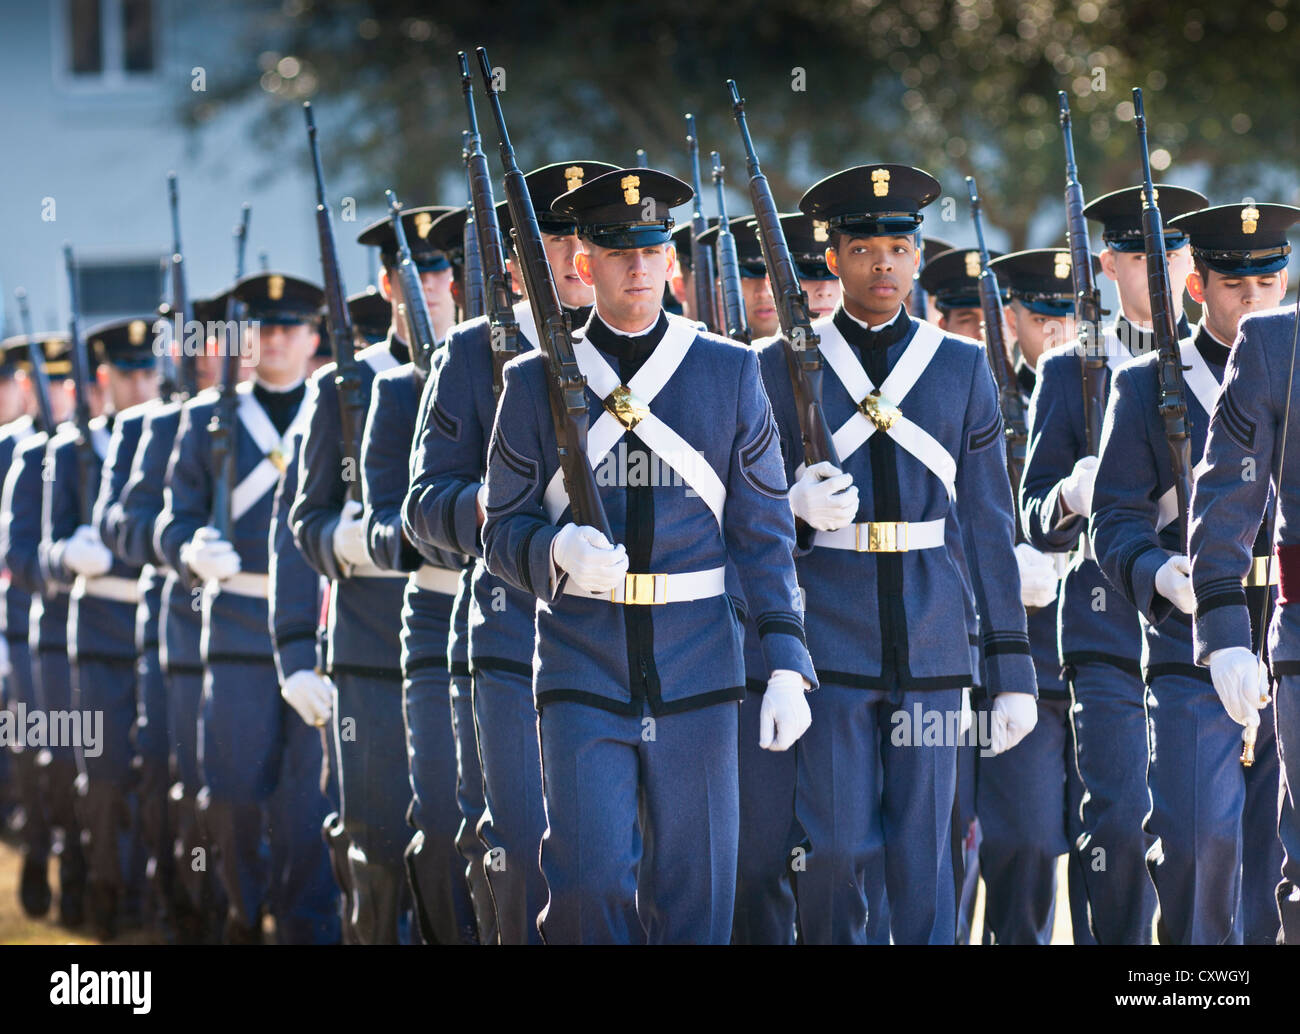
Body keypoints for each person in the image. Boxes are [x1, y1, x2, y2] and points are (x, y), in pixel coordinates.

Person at [478, 165, 815, 943]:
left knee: (696, 896)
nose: (637, 266)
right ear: (583, 264)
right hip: (580, 660)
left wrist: (789, 663)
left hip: (700, 662)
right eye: (617, 250)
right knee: (588, 886)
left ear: (672, 261)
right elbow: (501, 532)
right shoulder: (532, 384)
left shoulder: (728, 373)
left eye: (652, 249)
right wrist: (555, 550)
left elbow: (762, 534)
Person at [762, 164, 1038, 944]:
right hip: (829, 639)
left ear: (917, 257)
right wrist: (794, 511)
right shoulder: (780, 365)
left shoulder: (958, 366)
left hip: (933, 641)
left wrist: (1011, 672)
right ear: (835, 259)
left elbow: (988, 524)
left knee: (928, 854)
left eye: (898, 246)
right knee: (838, 845)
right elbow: (746, 517)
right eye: (864, 248)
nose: (883, 263)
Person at [404, 160, 616, 944]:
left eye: (583, 236)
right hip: (510, 633)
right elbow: (423, 507)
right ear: (512, 260)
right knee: (524, 850)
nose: (570, 254)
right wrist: (489, 506)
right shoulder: (468, 356)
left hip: (627, 637)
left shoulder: (650, 354)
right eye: (552, 238)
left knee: (625, 859)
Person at [1020, 183, 1205, 943]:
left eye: (1170, 252)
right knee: (1118, 827)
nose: (1155, 269)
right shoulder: (1071, 371)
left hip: (1202, 622)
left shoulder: (1222, 358)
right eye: (1137, 255)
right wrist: (1070, 493)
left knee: (1202, 831)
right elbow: (1033, 513)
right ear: (1107, 264)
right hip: (1109, 635)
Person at [1118, 201, 1297, 944]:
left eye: (1267, 281)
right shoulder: (1151, 381)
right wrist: (1160, 573)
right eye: (1234, 284)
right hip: (1198, 636)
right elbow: (1119, 516)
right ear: (1200, 285)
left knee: (1270, 858)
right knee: (1197, 843)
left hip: (1274, 624)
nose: (1252, 298)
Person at [289, 204, 456, 945]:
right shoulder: (345, 388)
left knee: (466, 846)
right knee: (380, 840)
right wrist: (353, 541)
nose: (430, 286)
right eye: (413, 273)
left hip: (476, 641)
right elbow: (306, 518)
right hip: (372, 647)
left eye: (441, 268)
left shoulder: (498, 374)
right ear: (389, 283)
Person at [156, 272, 338, 943]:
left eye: (291, 327)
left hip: (313, 628)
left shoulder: (336, 412)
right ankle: (240, 907)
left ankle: (304, 926)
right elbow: (171, 521)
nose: (276, 340)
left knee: (304, 803)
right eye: (263, 328)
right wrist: (191, 548)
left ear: (314, 336)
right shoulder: (212, 420)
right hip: (232, 624)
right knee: (231, 792)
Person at [981, 248, 1098, 944]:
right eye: (1041, 314)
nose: (1055, 330)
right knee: (1022, 846)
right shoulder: (976, 393)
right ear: (1012, 317)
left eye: (1068, 315)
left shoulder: (1111, 394)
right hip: (1018, 660)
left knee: (1109, 850)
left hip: (1098, 654)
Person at [44, 316, 162, 939]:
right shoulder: (70, 450)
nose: (142, 384)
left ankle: (153, 900)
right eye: (129, 373)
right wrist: (67, 554)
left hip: (161, 630)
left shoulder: (174, 435)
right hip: (96, 633)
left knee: (160, 779)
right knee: (106, 779)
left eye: (150, 371)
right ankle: (107, 893)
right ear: (104, 378)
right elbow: (31, 554)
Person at [115, 296, 226, 942]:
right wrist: (177, 545)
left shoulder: (253, 419)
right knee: (170, 768)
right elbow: (124, 525)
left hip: (248, 626)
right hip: (175, 625)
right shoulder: (151, 428)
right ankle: (178, 902)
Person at [0, 333, 66, 919]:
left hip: (81, 627)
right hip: (22, 623)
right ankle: (39, 845)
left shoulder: (96, 444)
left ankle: (79, 859)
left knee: (76, 751)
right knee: (32, 741)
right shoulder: (15, 450)